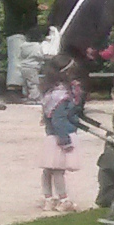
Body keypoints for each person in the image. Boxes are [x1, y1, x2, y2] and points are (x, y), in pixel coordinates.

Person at [35, 53, 86, 213]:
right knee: (58, 170)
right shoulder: (62, 96)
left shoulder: (50, 93)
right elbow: (59, 120)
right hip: (60, 137)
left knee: (48, 169)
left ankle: (48, 198)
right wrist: (65, 140)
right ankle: (63, 199)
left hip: (51, 136)